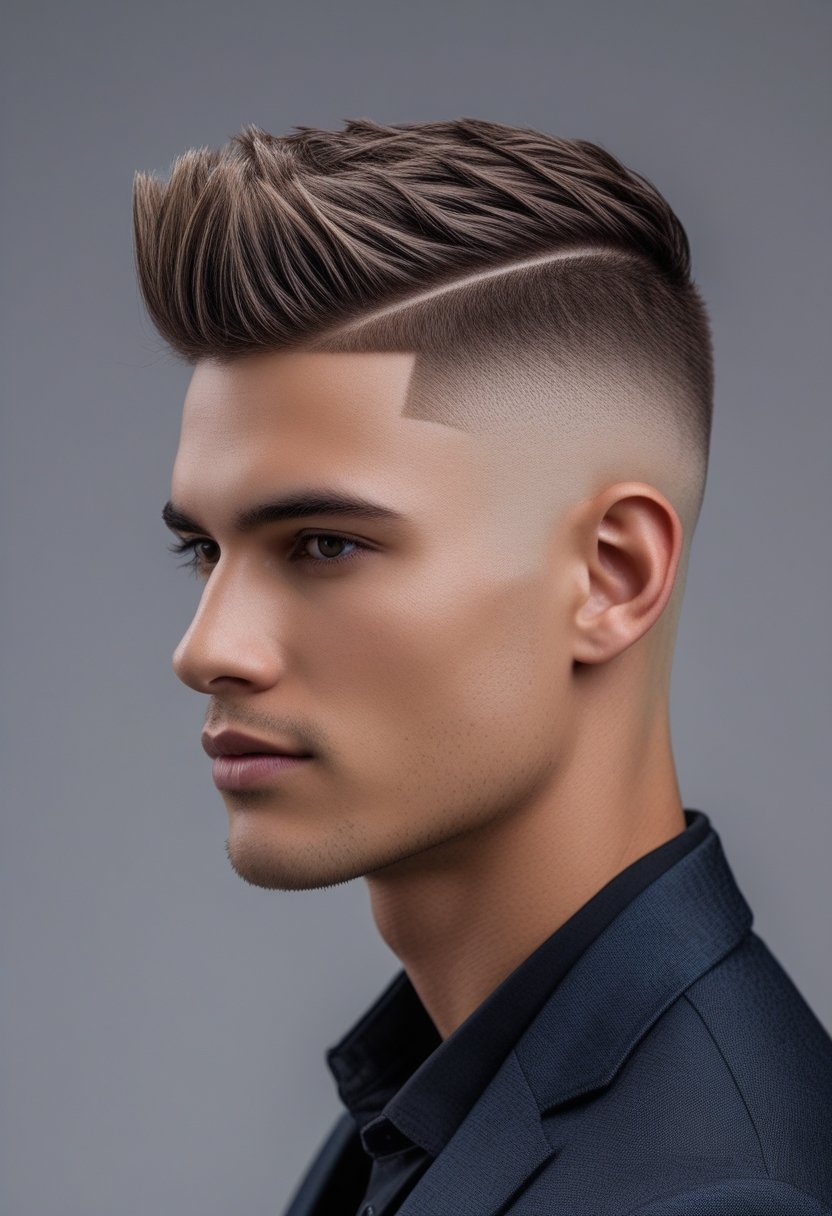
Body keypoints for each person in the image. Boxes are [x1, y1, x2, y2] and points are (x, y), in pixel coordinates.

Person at [133, 117, 832, 1215]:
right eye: (203, 550)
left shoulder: (714, 1195)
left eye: (324, 544)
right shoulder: (432, 1095)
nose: (205, 648)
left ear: (610, 576)